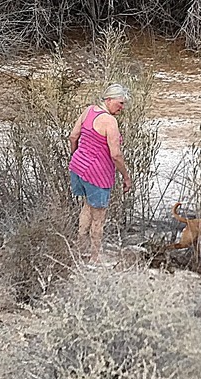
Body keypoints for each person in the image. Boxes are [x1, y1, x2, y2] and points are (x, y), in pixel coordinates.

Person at [68, 83, 132, 262]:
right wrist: (126, 177)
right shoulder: (110, 121)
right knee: (99, 217)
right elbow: (116, 155)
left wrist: (76, 155)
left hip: (78, 168)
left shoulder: (88, 110)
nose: (122, 107)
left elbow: (73, 136)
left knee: (87, 206)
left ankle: (80, 249)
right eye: (120, 103)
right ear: (109, 99)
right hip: (97, 174)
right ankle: (94, 257)